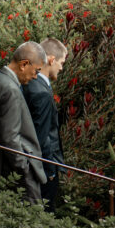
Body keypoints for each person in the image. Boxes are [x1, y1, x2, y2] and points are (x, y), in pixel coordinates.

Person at [0, 41, 48, 203]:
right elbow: (10, 137)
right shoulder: (10, 89)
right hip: (15, 174)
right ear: (24, 64)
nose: (35, 77)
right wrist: (23, 168)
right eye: (36, 71)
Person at [22, 37, 67, 211]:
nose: (61, 68)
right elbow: (42, 136)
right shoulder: (41, 92)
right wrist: (49, 171)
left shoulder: (29, 84)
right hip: (43, 168)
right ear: (51, 59)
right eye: (61, 62)